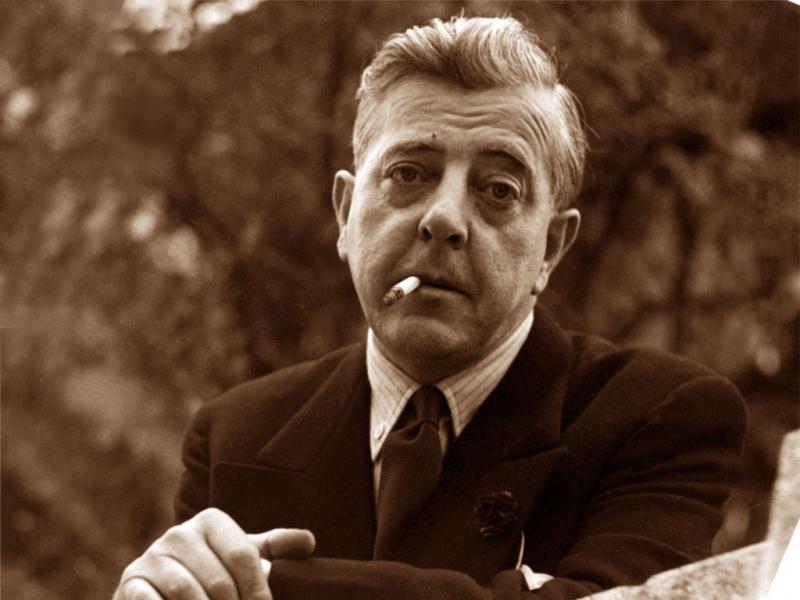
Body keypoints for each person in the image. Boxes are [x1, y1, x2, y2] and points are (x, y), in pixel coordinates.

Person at [114, 15, 746, 600]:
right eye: (409, 174)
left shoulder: (658, 417)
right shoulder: (236, 434)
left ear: (551, 248)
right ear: (345, 214)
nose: (444, 218)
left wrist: (273, 582)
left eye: (499, 189)